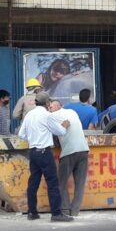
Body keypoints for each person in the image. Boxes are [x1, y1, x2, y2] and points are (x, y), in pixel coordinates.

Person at [18, 91, 74, 223]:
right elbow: (60, 131)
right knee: (53, 183)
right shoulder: (47, 116)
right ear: (47, 103)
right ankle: (56, 213)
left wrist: (33, 138)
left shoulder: (29, 115)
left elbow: (21, 134)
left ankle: (32, 212)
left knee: (33, 182)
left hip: (33, 152)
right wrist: (64, 126)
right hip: (44, 152)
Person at [47, 97, 89, 218]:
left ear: (58, 107)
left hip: (69, 152)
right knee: (80, 183)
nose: (49, 109)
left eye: (51, 107)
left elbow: (53, 132)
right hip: (84, 149)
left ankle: (65, 209)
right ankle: (75, 210)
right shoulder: (72, 112)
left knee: (61, 182)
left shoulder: (52, 116)